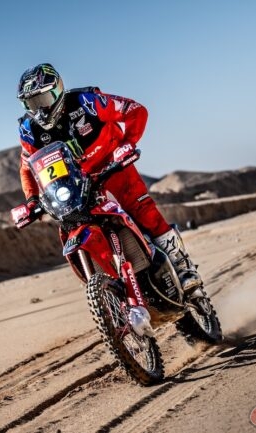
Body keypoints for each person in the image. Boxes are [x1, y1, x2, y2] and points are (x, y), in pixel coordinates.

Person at [16, 63, 202, 294]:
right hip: (77, 184)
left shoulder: (87, 102)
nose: (40, 110)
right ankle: (110, 289)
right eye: (32, 104)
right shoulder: (29, 130)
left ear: (57, 91)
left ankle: (183, 269)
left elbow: (135, 110)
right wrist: (32, 200)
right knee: (72, 223)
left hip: (114, 167)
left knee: (143, 211)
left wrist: (128, 144)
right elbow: (27, 167)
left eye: (43, 100)